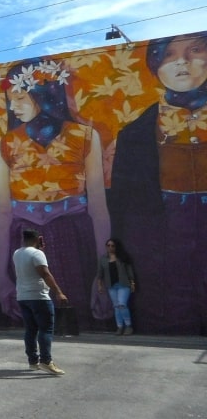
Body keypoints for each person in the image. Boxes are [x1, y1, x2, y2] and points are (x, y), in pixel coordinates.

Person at [0, 57, 109, 328]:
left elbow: (98, 207)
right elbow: (3, 210)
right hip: (24, 234)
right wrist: (1, 274)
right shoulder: (7, 143)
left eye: (20, 97)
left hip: (73, 234)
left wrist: (101, 272)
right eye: (10, 99)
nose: (13, 106)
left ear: (44, 95)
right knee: (34, 311)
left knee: (72, 311)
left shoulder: (84, 136)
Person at [111, 31, 207, 334]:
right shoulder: (134, 134)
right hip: (162, 230)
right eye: (168, 55)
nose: (182, 62)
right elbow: (123, 206)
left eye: (194, 50)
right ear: (154, 66)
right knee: (171, 301)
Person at [13, 229, 68, 375]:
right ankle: (46, 361)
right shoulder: (37, 254)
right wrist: (59, 292)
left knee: (30, 330)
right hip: (39, 296)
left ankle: (33, 361)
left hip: (23, 297)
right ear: (38, 239)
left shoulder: (17, 253)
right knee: (45, 329)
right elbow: (45, 273)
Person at [95, 238, 136, 335]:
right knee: (116, 306)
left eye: (112, 245)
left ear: (116, 247)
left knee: (122, 304)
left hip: (123, 284)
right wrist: (100, 285)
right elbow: (100, 274)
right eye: (108, 245)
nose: (110, 247)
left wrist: (132, 283)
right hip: (111, 286)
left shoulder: (122, 257)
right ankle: (120, 327)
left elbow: (129, 270)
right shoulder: (103, 259)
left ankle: (128, 326)